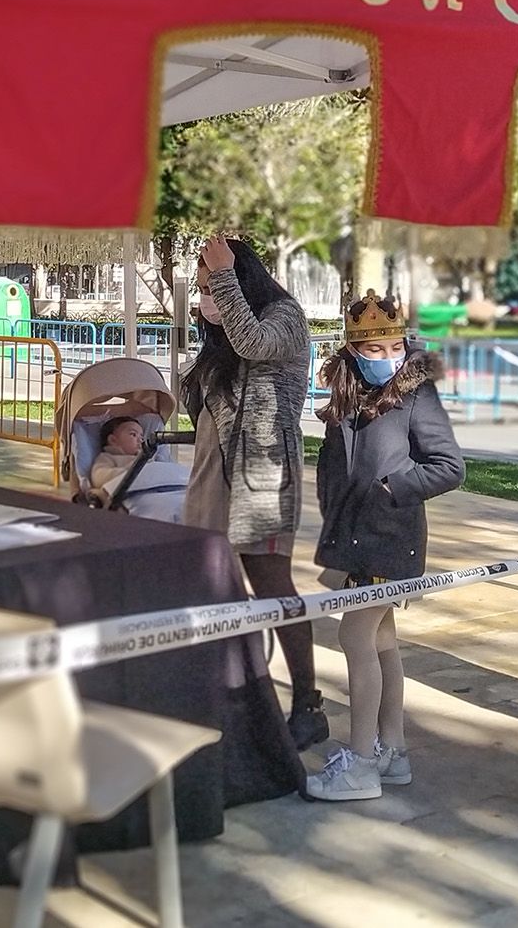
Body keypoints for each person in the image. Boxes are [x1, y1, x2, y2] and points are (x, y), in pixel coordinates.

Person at [304, 293, 463, 801]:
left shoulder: (417, 392)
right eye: (372, 350)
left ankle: (363, 765)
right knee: (382, 644)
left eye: (393, 347)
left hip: (388, 539)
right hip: (354, 540)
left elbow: (449, 466)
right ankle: (391, 752)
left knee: (356, 641)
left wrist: (393, 487)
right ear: (351, 351)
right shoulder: (347, 397)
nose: (385, 358)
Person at [182, 235, 328, 749]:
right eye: (201, 288)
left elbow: (255, 344)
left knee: (271, 585)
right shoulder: (224, 331)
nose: (207, 298)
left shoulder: (284, 318)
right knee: (209, 584)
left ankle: (308, 703)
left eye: (213, 286)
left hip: (260, 475)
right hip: (211, 472)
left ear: (239, 280)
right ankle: (227, 693)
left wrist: (222, 278)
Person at [88, 416, 147, 495]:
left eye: (142, 438)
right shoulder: (108, 457)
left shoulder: (145, 458)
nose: (140, 440)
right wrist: (129, 474)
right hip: (128, 493)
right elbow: (98, 476)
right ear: (113, 440)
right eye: (133, 434)